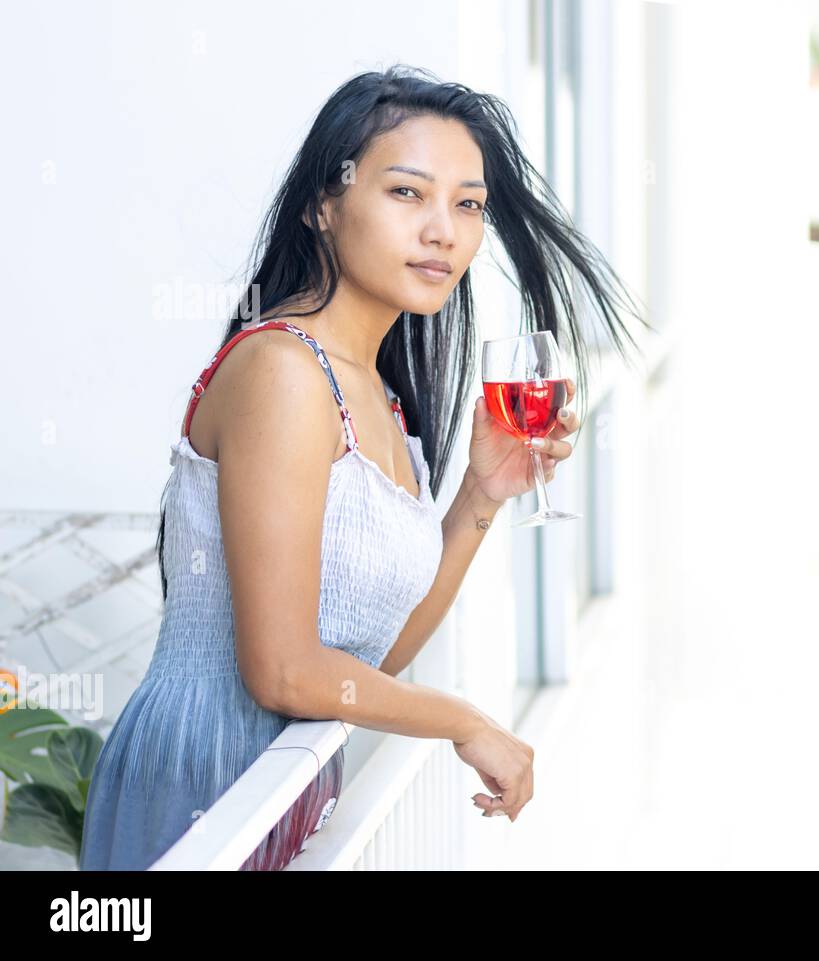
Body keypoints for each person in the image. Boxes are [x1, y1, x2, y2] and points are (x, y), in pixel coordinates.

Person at [78, 64, 649, 870]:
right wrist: (462, 716)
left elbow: (365, 656)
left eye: (468, 204)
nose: (444, 231)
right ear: (324, 203)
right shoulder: (283, 372)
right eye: (407, 193)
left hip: (290, 783)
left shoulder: (378, 391)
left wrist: (481, 495)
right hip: (206, 790)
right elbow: (281, 671)